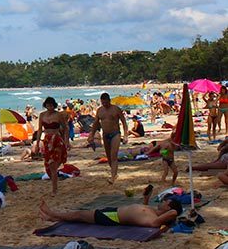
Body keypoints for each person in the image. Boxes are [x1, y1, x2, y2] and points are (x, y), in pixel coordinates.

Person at [39, 187, 181, 228]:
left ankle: (52, 214)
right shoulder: (153, 211)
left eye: (166, 201)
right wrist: (146, 198)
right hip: (113, 212)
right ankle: (51, 217)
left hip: (113, 218)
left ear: (169, 207)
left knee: (79, 215)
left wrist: (175, 211)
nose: (162, 201)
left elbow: (157, 222)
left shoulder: (155, 220)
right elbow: (141, 211)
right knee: (80, 215)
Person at [87, 93, 128, 184]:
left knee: (113, 156)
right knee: (109, 157)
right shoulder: (100, 110)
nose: (104, 104)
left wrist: (125, 135)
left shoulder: (116, 109)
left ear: (109, 100)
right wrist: (91, 135)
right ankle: (115, 173)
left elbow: (124, 122)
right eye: (103, 103)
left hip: (115, 134)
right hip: (105, 135)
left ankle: (113, 177)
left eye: (106, 102)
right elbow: (96, 124)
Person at [36, 97, 70, 196]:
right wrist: (37, 143)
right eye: (47, 105)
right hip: (46, 140)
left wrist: (67, 141)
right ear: (45, 105)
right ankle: (55, 183)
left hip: (57, 140)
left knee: (54, 165)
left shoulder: (58, 115)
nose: (49, 107)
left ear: (53, 105)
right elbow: (39, 130)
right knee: (48, 165)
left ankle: (54, 190)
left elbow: (66, 128)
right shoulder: (42, 115)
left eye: (51, 105)